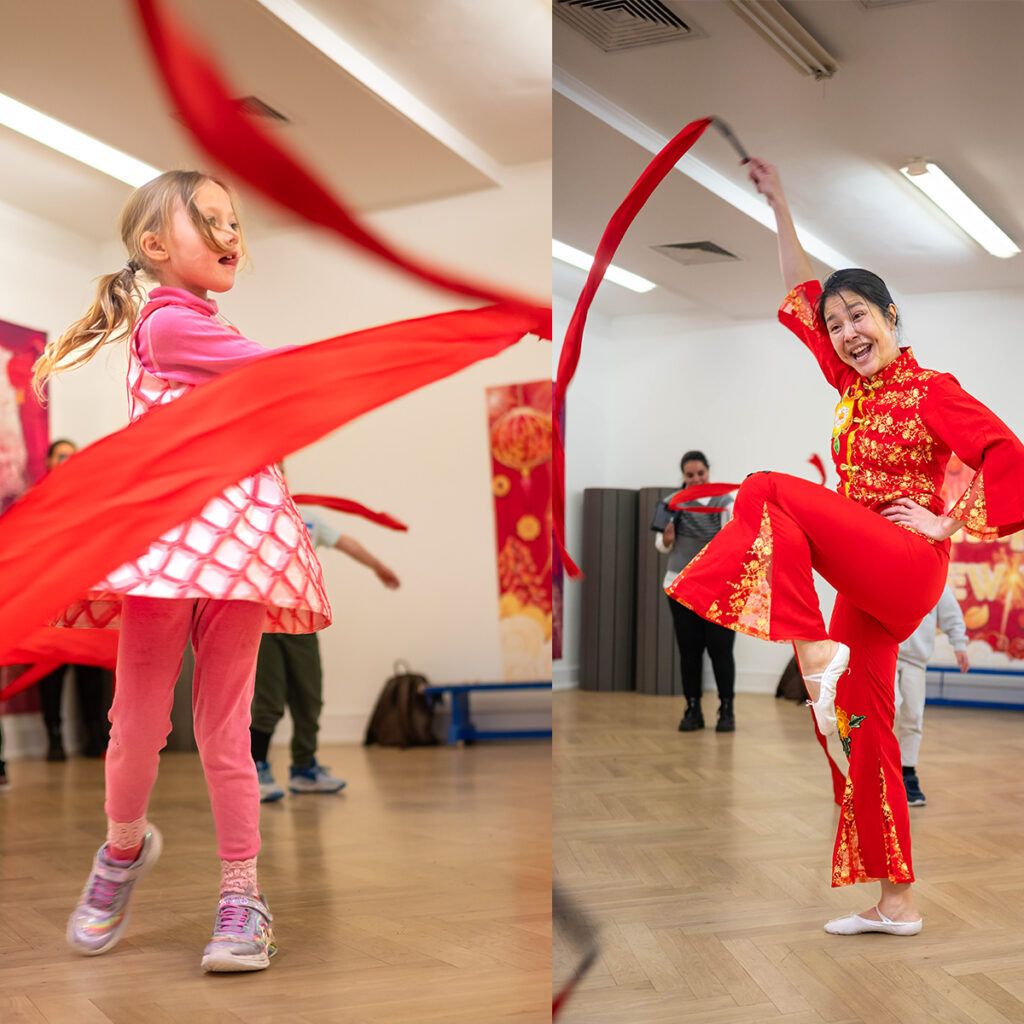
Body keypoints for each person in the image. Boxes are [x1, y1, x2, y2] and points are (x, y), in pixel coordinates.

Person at [666, 156, 1024, 937]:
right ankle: (896, 901)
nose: (846, 332)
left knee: (763, 486)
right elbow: (799, 290)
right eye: (837, 324)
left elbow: (1007, 453)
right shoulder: (851, 388)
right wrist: (782, 202)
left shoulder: (933, 390)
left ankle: (807, 650)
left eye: (859, 315)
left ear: (892, 317)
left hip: (904, 563)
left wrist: (947, 523)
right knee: (861, 730)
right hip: (864, 578)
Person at [31, 170, 331, 972]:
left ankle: (243, 895)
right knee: (136, 727)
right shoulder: (168, 324)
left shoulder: (206, 323)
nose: (232, 234)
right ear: (155, 246)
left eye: (236, 221)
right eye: (210, 221)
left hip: (235, 549)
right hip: (167, 547)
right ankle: (121, 852)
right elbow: (282, 376)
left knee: (223, 730)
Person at [253, 500, 400, 801]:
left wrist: (378, 567)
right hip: (263, 623)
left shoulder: (308, 519)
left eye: (279, 469)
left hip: (302, 622)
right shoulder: (251, 517)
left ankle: (305, 770)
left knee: (310, 699)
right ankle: (257, 770)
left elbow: (347, 543)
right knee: (268, 701)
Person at [36, 439, 115, 761]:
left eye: (72, 455)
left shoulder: (90, 502)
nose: (67, 460)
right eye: (61, 455)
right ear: (49, 462)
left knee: (90, 674)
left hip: (84, 601)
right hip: (48, 603)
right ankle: (53, 739)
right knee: (48, 675)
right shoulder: (37, 503)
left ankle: (95, 737)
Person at [654, 451, 736, 732]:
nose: (696, 478)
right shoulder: (671, 503)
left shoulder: (726, 502)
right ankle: (692, 709)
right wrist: (666, 539)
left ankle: (726, 710)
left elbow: (732, 542)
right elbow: (661, 546)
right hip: (680, 585)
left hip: (717, 587)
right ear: (684, 476)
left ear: (708, 471)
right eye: (690, 475)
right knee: (689, 651)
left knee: (721, 650)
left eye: (700, 473)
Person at [895, 585, 969, 808]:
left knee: (913, 716)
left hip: (916, 659)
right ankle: (878, 773)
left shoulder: (935, 581)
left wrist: (959, 644)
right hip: (886, 652)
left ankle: (908, 772)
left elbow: (951, 613)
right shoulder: (887, 566)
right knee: (890, 709)